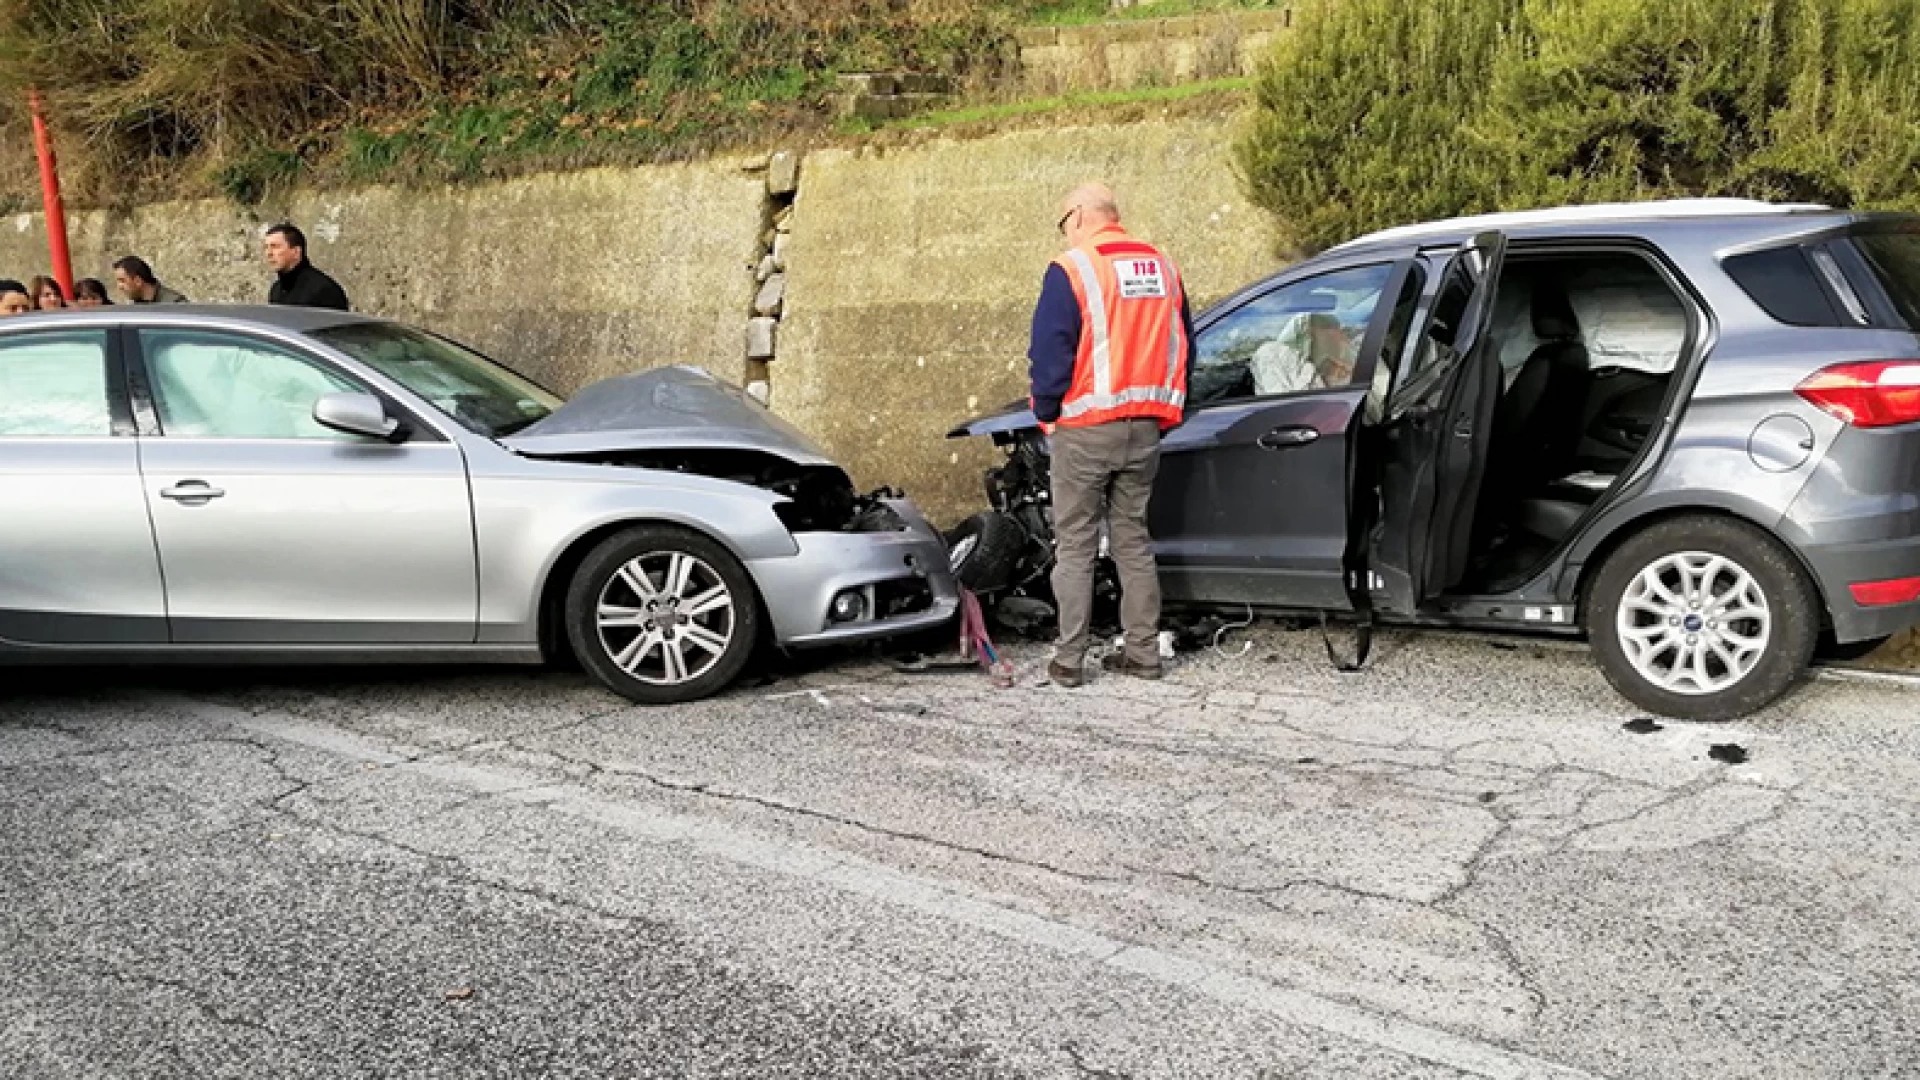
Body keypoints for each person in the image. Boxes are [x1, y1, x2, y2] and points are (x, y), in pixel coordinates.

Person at [1027, 181, 1193, 687]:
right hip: (1145, 428)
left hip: (1084, 427)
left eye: (1063, 223)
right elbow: (1185, 342)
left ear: (1077, 216)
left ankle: (1069, 660)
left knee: (1075, 543)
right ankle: (1144, 653)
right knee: (1134, 542)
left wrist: (1047, 411)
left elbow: (1051, 351)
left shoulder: (1073, 268)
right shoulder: (1162, 267)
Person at [263, 223, 349, 310]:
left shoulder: (324, 290)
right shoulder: (276, 290)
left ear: (296, 252)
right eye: (266, 247)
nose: (269, 253)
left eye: (275, 247)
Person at [113, 257, 187, 303]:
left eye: (122, 281)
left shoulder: (174, 304)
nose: (119, 286)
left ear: (138, 281)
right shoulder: (135, 306)